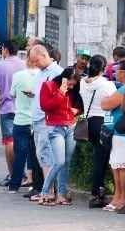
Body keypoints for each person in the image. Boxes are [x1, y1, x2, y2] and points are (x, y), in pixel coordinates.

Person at [38, 67, 80, 206]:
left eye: (73, 85)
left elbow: (78, 105)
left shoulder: (73, 90)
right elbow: (45, 106)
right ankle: (45, 192)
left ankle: (61, 194)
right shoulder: (48, 86)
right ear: (63, 79)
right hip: (55, 127)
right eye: (69, 83)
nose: (71, 87)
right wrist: (60, 93)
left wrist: (77, 110)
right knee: (59, 161)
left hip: (71, 125)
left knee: (66, 163)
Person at [78, 54, 117, 208]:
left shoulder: (83, 82)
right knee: (103, 160)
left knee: (99, 158)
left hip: (90, 122)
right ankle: (96, 194)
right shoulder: (107, 85)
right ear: (103, 68)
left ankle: (99, 190)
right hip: (104, 122)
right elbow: (115, 102)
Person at [26, 43, 63, 200]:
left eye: (36, 60)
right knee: (42, 155)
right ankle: (47, 189)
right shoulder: (41, 72)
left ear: (44, 56)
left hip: (47, 120)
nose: (34, 64)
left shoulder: (57, 73)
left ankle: (48, 191)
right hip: (37, 118)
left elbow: (60, 97)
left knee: (47, 155)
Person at [0, 40, 26, 187]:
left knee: (9, 141)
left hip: (7, 108)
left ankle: (12, 174)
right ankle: (26, 174)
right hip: (24, 109)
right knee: (25, 142)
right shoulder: (24, 64)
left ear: (5, 50)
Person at [101, 60, 125, 213]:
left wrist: (104, 100)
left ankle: (123, 197)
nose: (115, 73)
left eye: (118, 71)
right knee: (116, 165)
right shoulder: (124, 87)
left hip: (123, 132)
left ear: (124, 72)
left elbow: (106, 104)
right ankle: (117, 196)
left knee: (123, 166)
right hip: (117, 132)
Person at [5, 50, 39, 193]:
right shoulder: (42, 76)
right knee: (37, 154)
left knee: (20, 154)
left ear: (27, 61)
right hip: (36, 120)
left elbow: (12, 94)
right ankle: (37, 184)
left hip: (20, 120)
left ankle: (14, 185)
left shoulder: (18, 76)